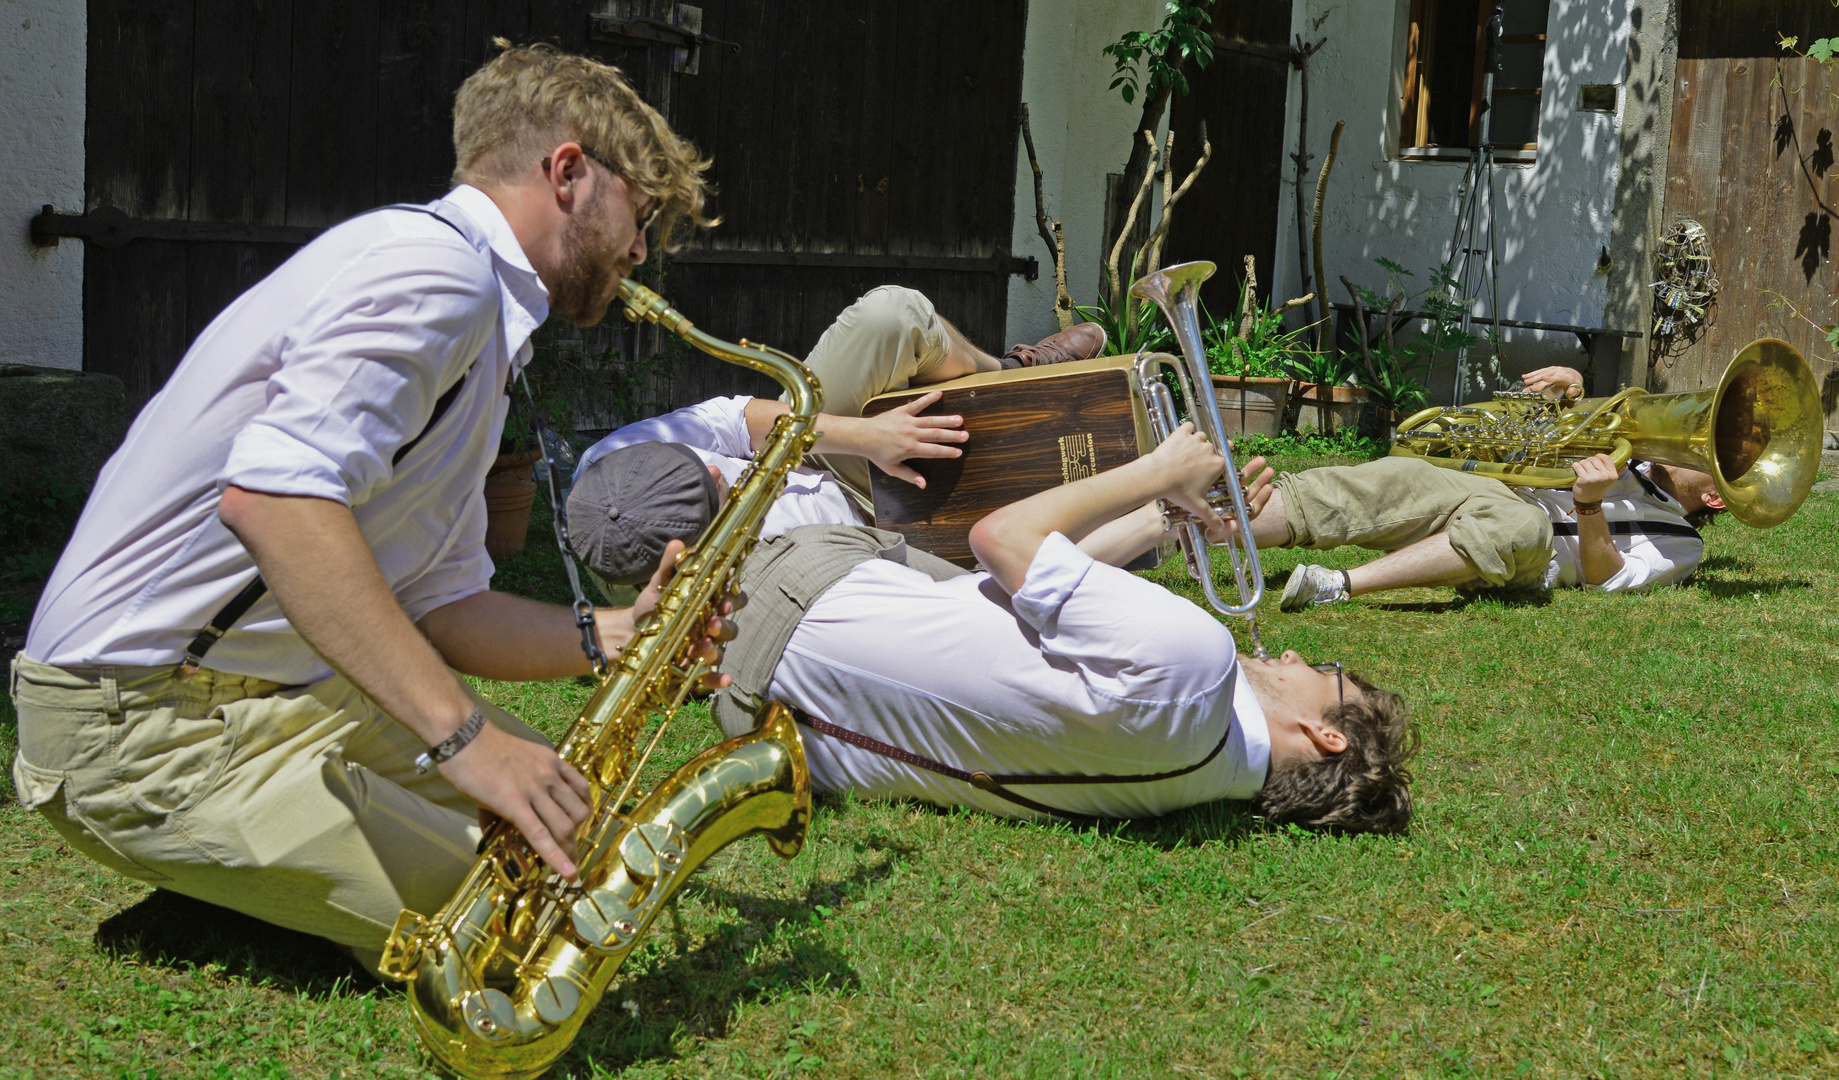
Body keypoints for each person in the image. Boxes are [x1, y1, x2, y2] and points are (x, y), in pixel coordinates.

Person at [9, 43, 730, 969]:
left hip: (274, 689)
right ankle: (240, 870)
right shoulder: (437, 276)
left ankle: (261, 877)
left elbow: (443, 605)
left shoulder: (471, 307)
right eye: (645, 214)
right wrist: (466, 740)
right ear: (568, 173)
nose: (642, 251)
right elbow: (274, 503)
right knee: (553, 921)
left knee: (591, 839)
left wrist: (617, 633)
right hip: (141, 724)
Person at [571, 425, 1419, 834]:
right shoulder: (1182, 781)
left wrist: (1154, 470)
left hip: (784, 580)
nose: (1304, 654)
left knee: (662, 484)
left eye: (1329, 673)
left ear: (1324, 734)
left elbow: (1000, 543)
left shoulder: (1196, 667)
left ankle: (608, 558)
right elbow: (1024, 610)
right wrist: (1166, 517)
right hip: (753, 699)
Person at [567, 285, 1107, 591]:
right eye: (712, 491)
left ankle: (1008, 373)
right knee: (995, 581)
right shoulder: (661, 602)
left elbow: (736, 421)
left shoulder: (612, 462)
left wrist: (867, 437)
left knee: (890, 315)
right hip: (865, 553)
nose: (719, 472)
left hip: (824, 458)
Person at [1268, 365, 1726, 610]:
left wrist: (1589, 508)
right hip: (1493, 489)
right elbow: (1532, 434)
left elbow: (1610, 582)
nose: (1700, 443)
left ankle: (1340, 584)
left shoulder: (1682, 542)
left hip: (1531, 549)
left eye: (1712, 455)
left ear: (1716, 497)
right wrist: (1566, 395)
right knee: (1399, 476)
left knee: (1522, 523)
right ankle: (1222, 521)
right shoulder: (1630, 448)